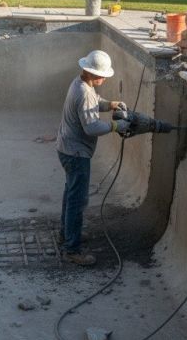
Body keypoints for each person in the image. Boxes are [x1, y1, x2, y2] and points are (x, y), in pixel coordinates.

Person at [55, 50, 130, 266]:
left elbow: (94, 102)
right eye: (103, 75)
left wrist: (110, 105)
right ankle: (72, 250)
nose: (105, 79)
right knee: (78, 201)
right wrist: (116, 126)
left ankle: (67, 234)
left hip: (66, 148)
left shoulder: (79, 83)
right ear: (93, 74)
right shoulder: (84, 93)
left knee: (70, 194)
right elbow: (91, 127)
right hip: (76, 153)